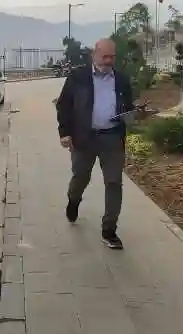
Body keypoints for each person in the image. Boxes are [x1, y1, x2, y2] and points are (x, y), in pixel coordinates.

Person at [56, 38, 141, 250]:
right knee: (80, 177)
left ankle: (109, 230)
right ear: (94, 54)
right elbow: (64, 105)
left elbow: (127, 106)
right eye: (105, 56)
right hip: (84, 137)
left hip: (112, 137)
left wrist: (135, 113)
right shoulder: (78, 77)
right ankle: (73, 200)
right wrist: (65, 133)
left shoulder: (121, 79)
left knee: (114, 182)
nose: (109, 61)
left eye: (112, 57)